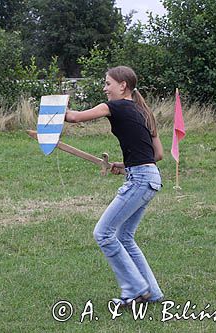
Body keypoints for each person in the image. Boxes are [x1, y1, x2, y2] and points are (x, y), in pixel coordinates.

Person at [65, 66, 164, 306]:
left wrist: (56, 108)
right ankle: (152, 291)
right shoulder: (143, 111)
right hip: (149, 176)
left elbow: (75, 117)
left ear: (123, 86)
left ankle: (136, 289)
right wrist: (125, 164)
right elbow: (158, 154)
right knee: (125, 237)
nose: (104, 88)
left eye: (108, 83)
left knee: (103, 233)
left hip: (140, 179)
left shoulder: (116, 106)